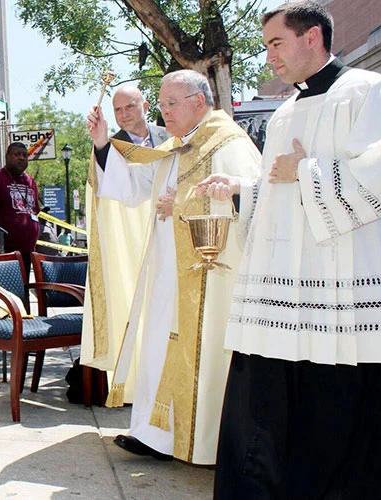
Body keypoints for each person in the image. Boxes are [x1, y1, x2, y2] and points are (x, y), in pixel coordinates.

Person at [195, 2, 381, 497]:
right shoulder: (286, 109)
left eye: (276, 43)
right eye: (266, 46)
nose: (269, 57)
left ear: (312, 37)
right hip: (285, 299)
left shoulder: (370, 92)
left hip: (342, 296)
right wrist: (245, 189)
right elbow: (280, 195)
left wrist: (305, 173)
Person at [83, 70, 261, 464]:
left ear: (199, 102)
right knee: (159, 349)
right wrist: (101, 144)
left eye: (170, 104)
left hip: (208, 279)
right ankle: (154, 435)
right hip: (167, 272)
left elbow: (250, 203)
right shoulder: (179, 147)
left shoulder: (227, 143)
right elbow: (133, 189)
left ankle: (202, 439)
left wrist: (178, 202)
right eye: (161, 104)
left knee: (201, 355)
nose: (162, 112)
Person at [81, 87, 170, 382]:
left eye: (129, 107)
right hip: (134, 238)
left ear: (144, 105)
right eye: (117, 110)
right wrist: (101, 142)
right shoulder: (112, 146)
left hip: (171, 228)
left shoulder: (169, 135)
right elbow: (116, 189)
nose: (124, 115)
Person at [0, 142, 41, 274]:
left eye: (24, 155)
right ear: (7, 157)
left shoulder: (31, 182)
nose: (21, 158)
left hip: (27, 251)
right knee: (7, 292)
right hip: (4, 250)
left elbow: (34, 212)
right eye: (17, 154)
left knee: (24, 291)